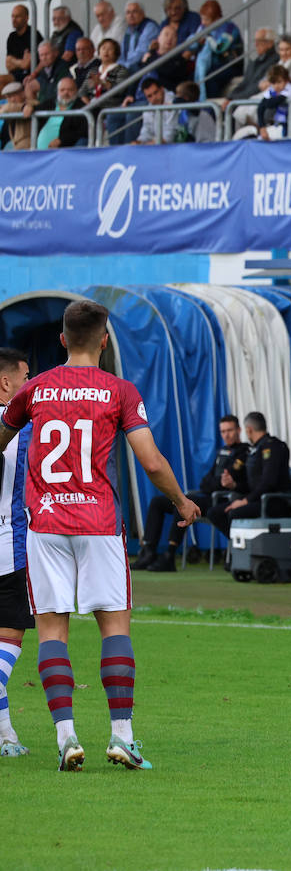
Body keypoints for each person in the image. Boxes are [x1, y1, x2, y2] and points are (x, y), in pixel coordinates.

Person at [0, 299, 201, 771]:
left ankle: (66, 738)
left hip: (45, 524)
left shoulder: (35, 389)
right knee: (114, 625)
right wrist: (180, 501)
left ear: (63, 339)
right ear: (105, 340)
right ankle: (122, 736)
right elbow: (150, 461)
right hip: (99, 524)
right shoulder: (120, 391)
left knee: (52, 630)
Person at [133, 413, 249, 572]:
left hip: (223, 501)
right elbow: (205, 483)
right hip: (209, 496)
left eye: (230, 430)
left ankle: (170, 555)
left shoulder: (244, 453)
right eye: (223, 431)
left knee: (183, 502)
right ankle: (148, 551)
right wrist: (217, 484)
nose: (226, 435)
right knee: (158, 502)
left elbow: (242, 484)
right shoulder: (222, 452)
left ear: (239, 430)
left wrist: (225, 485)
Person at [0, 347, 32, 757]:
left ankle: (6, 736)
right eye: (26, 377)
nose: (29, 385)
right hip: (11, 549)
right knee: (9, 639)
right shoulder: (22, 428)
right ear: (6, 382)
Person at [206, 412, 291, 539]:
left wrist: (245, 501)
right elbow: (253, 484)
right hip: (257, 499)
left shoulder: (272, 447)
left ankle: (242, 548)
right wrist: (234, 485)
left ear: (248, 429)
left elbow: (268, 482)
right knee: (214, 513)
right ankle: (239, 547)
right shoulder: (255, 449)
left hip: (275, 501)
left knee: (234, 513)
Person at [4, 4, 41, 87]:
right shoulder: (12, 37)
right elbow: (8, 65)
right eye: (12, 16)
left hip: (29, 76)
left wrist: (13, 61)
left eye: (17, 17)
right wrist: (21, 63)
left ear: (26, 18)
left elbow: (27, 64)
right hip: (15, 74)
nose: (14, 20)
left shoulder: (34, 34)